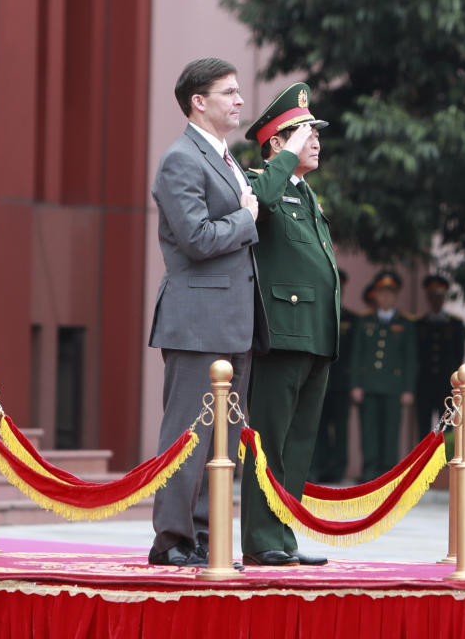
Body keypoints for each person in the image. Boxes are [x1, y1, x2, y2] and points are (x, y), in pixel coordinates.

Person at [147, 58, 266, 568]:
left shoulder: (225, 157)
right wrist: (245, 216)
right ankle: (172, 539)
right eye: (229, 92)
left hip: (231, 321)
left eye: (239, 92)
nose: (240, 100)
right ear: (199, 101)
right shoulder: (182, 158)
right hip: (197, 322)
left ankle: (203, 537)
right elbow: (195, 239)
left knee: (220, 441)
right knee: (187, 437)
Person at [238, 83, 338, 566]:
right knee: (270, 439)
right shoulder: (263, 181)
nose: (315, 140)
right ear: (276, 144)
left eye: (316, 132)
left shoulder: (303, 191)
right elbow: (261, 203)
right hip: (283, 332)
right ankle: (261, 540)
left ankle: (284, 536)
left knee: (298, 444)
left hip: (315, 333)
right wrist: (283, 159)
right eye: (303, 133)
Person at [350, 270, 417, 480]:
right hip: (369, 384)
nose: (385, 297)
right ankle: (369, 471)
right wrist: (356, 384)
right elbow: (356, 355)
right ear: (376, 295)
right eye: (381, 293)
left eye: (390, 293)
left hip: (394, 387)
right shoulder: (365, 321)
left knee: (390, 431)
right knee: (368, 430)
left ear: (395, 296)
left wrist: (408, 389)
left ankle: (387, 473)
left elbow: (410, 359)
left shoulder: (405, 324)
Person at [310, 269, 357, 484]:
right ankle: (317, 468)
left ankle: (338, 469)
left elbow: (357, 355)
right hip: (318, 380)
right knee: (316, 427)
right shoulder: (316, 314)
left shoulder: (352, 319)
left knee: (340, 429)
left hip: (341, 383)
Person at [414, 274, 465, 441]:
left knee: (448, 426)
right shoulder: (419, 324)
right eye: (432, 297)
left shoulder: (455, 324)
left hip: (447, 383)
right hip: (424, 382)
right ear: (428, 299)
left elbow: (459, 354)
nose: (436, 301)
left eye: (439, 297)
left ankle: (445, 462)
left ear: (444, 298)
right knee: (423, 426)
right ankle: (424, 462)